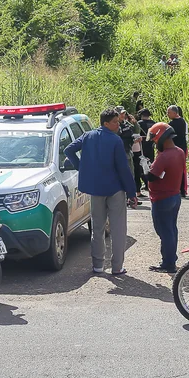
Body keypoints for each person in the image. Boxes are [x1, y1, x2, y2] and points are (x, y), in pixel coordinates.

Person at [65, 107, 138, 276]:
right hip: (115, 189)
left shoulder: (88, 136)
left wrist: (81, 167)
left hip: (95, 189)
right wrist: (132, 192)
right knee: (118, 229)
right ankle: (117, 267)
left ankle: (97, 265)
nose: (118, 124)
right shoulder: (115, 140)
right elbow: (123, 168)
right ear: (106, 123)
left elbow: (68, 150)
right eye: (115, 122)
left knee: (97, 228)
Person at [143, 122, 188, 273]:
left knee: (164, 231)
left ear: (162, 138)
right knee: (171, 229)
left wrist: (145, 169)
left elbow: (152, 176)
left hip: (162, 199)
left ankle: (168, 263)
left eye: (155, 140)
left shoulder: (164, 157)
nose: (155, 143)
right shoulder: (179, 152)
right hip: (174, 197)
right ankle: (171, 259)